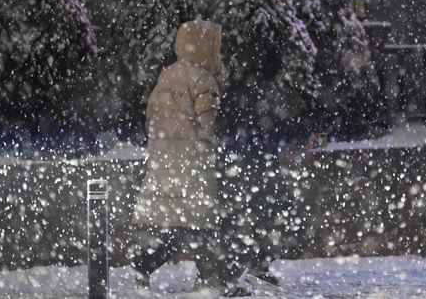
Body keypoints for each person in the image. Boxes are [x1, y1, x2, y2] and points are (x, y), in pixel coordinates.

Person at [130, 20, 250, 297]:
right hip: (192, 167)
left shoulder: (167, 75)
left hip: (165, 165)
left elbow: (151, 119)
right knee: (203, 227)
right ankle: (213, 283)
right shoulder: (202, 79)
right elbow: (210, 125)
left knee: (173, 227)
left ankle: (143, 266)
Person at [216, 35, 308, 291]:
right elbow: (281, 126)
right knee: (281, 220)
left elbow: (225, 126)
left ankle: (239, 277)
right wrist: (314, 139)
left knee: (244, 223)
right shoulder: (264, 90)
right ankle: (245, 274)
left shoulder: (235, 90)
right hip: (258, 166)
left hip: (237, 166)